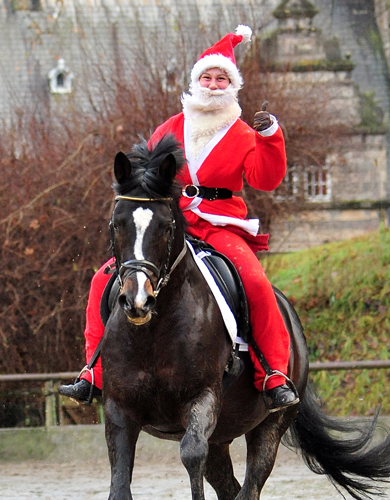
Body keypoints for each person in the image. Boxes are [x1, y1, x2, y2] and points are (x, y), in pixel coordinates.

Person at [59, 25, 299, 411]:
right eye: (208, 76)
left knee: (255, 281)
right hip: (170, 225)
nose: (214, 83)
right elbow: (144, 174)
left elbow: (265, 179)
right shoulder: (170, 128)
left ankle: (273, 372)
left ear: (232, 86)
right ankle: (93, 371)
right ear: (196, 81)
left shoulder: (242, 134)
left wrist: (271, 137)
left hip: (221, 223)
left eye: (222, 78)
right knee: (101, 279)